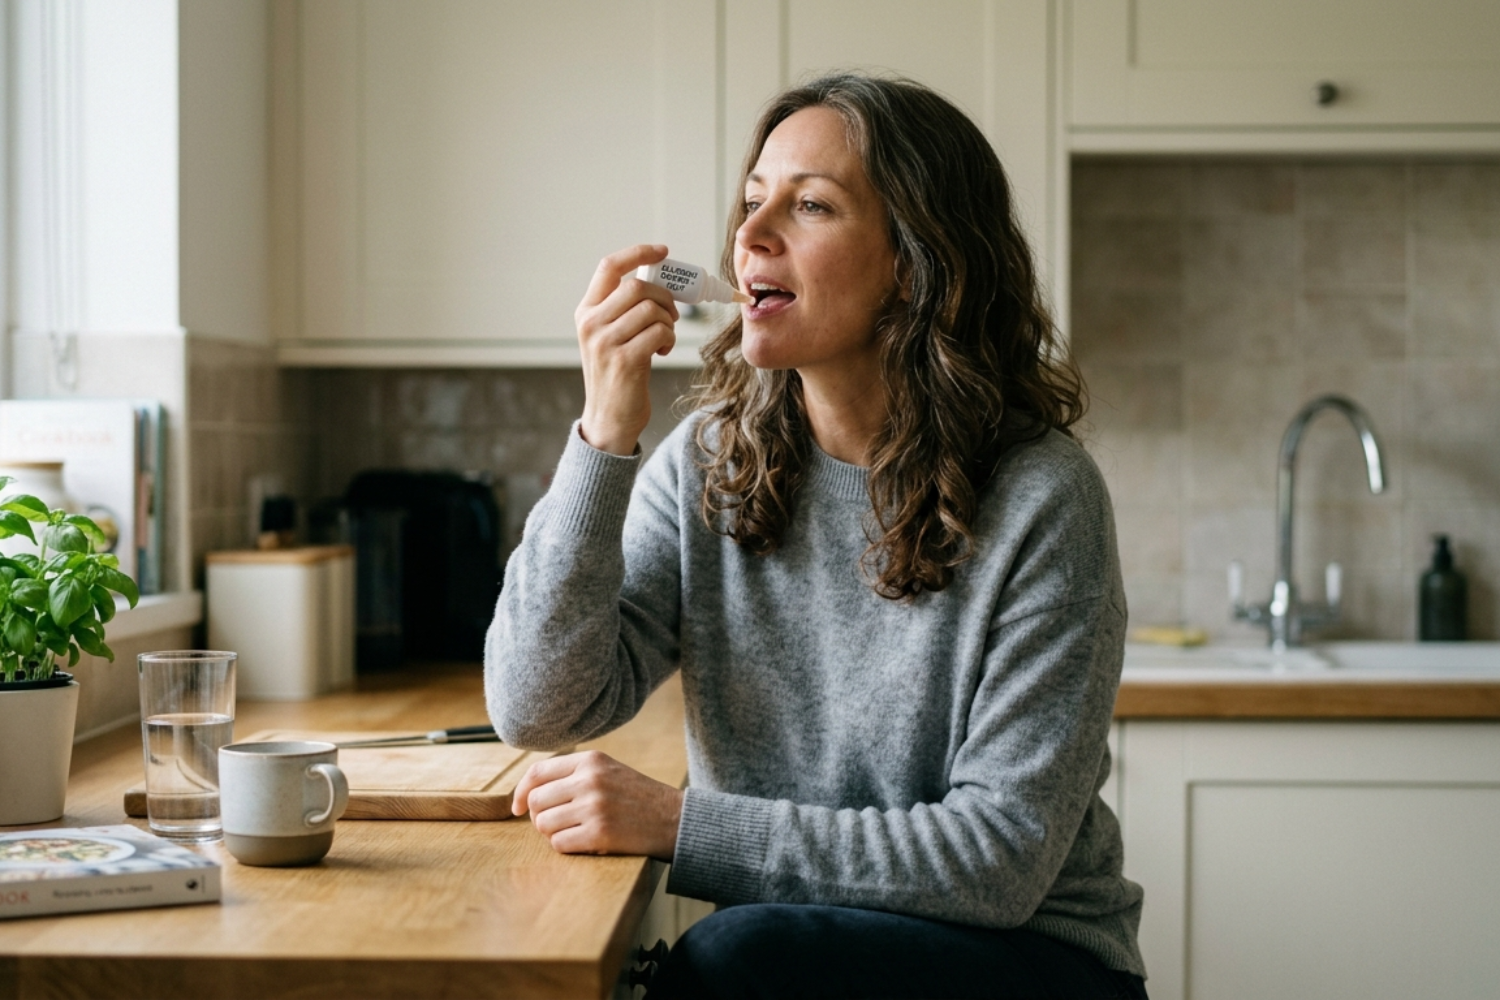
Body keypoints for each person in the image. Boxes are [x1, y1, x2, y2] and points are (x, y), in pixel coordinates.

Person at [487, 73, 1148, 1000]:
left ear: (915, 264)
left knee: (728, 963)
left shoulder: (1044, 497)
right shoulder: (709, 462)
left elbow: (998, 861)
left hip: (1030, 959)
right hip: (798, 949)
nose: (751, 234)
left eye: (810, 205)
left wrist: (682, 826)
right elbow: (539, 707)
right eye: (753, 201)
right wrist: (604, 432)